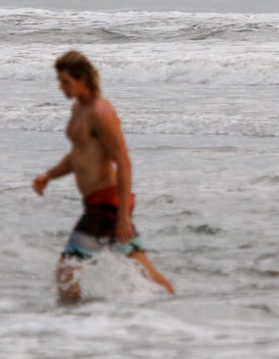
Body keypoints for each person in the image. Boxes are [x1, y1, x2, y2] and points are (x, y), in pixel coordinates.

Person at [33, 50, 174, 303]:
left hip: (107, 203)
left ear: (83, 79)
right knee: (144, 271)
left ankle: (72, 323)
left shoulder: (101, 112)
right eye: (59, 80)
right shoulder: (78, 108)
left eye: (65, 81)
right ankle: (173, 304)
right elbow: (78, 155)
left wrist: (122, 218)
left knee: (67, 270)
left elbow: (124, 162)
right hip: (99, 202)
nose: (60, 86)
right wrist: (49, 176)